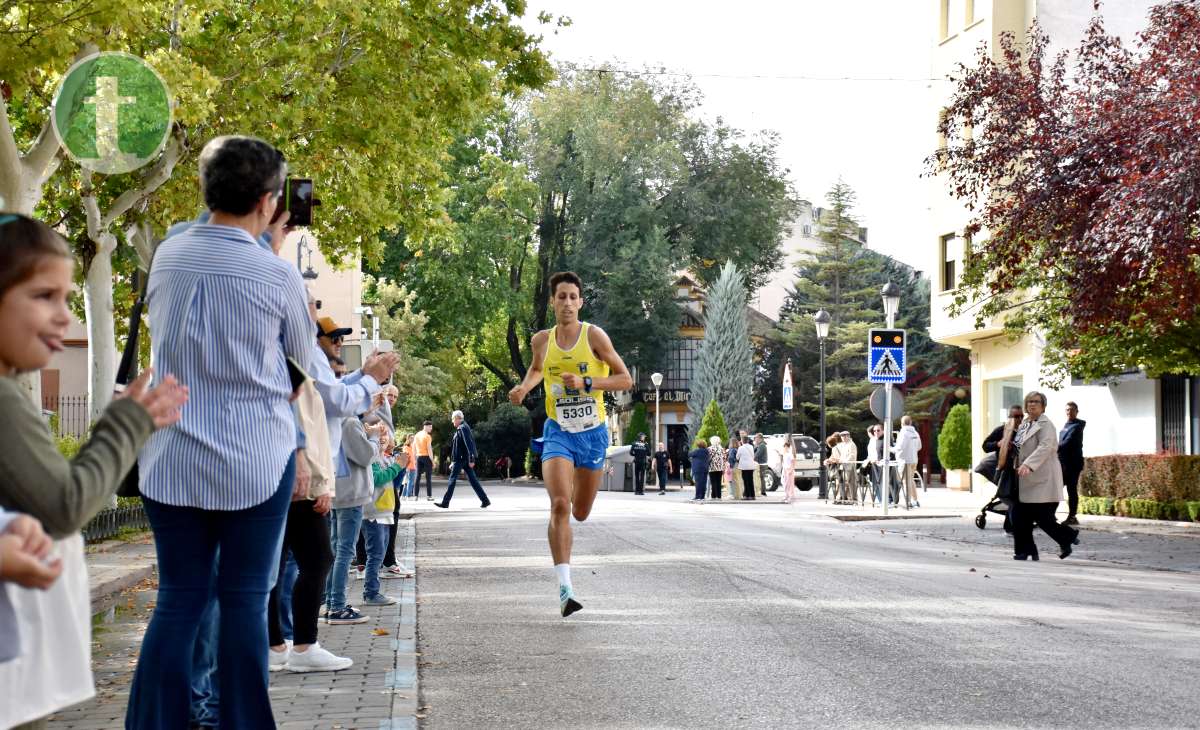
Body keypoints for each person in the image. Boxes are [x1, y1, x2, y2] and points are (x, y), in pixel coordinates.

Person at [123, 135, 315, 729]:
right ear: (267, 201)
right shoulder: (275, 276)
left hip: (170, 455)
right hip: (255, 461)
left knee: (178, 602)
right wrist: (366, 385)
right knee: (244, 604)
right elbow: (311, 371)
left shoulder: (167, 258)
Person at [507, 271, 632, 617]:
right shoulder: (541, 341)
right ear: (553, 302)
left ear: (580, 302)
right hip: (558, 430)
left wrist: (587, 381)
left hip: (592, 435)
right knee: (560, 505)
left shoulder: (594, 336)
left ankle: (584, 476)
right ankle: (566, 589)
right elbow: (535, 370)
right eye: (560, 297)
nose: (566, 303)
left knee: (580, 511)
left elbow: (625, 378)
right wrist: (523, 388)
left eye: (572, 297)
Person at [1012, 391, 1080, 561]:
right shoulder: (1024, 424)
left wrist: (1028, 464)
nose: (1032, 404)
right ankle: (1028, 550)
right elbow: (1017, 447)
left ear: (1043, 406)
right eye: (1029, 402)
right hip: (1026, 478)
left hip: (1043, 478)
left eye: (1036, 402)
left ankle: (1063, 538)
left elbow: (1046, 446)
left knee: (1040, 518)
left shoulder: (1046, 424)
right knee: (1021, 516)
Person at [360, 427, 406, 607]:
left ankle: (373, 591)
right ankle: (371, 592)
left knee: (379, 554)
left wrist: (400, 465)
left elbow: (394, 480)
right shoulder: (371, 459)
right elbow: (378, 479)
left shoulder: (384, 459)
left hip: (385, 513)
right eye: (378, 434)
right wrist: (397, 466)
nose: (382, 438)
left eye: (385, 434)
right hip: (373, 514)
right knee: (375, 554)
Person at [435, 410, 491, 508]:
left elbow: (469, 444)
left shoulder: (463, 428)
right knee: (473, 480)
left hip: (461, 459)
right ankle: (485, 500)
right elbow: (460, 446)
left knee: (452, 480)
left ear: (457, 418)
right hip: (462, 459)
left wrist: (471, 459)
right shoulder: (462, 427)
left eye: (453, 419)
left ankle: (445, 502)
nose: (452, 421)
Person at [983, 405, 1025, 534]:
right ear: (1010, 417)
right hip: (1007, 471)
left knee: (1018, 500)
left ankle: (1010, 526)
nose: (1019, 419)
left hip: (1021, 471)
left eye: (1021, 416)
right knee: (1013, 500)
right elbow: (985, 446)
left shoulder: (1025, 431)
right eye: (1016, 416)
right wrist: (998, 444)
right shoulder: (1002, 430)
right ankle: (1013, 528)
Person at [1059, 402, 1086, 526]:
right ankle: (1048, 516)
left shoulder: (1077, 426)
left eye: (1071, 410)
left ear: (1077, 411)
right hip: (1063, 463)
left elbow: (1067, 443)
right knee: (1057, 489)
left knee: (1071, 489)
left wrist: (1052, 448)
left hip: (1073, 464)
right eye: (1067, 410)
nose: (1069, 412)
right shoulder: (1066, 425)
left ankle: (1072, 516)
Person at [893, 416, 922, 509]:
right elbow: (919, 447)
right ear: (911, 422)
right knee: (911, 480)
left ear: (902, 423)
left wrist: (890, 449)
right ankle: (915, 501)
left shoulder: (903, 433)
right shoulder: (915, 433)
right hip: (914, 460)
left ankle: (907, 502)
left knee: (905, 481)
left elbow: (899, 447)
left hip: (904, 461)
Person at [413, 420, 435, 501]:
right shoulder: (427, 436)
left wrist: (415, 458)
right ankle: (429, 496)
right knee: (428, 478)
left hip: (419, 457)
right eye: (430, 427)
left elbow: (414, 447)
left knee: (417, 477)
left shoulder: (417, 435)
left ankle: (415, 496)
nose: (431, 429)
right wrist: (432, 461)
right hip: (426, 457)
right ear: (426, 426)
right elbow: (429, 449)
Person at [706, 435, 727, 500]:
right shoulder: (722, 449)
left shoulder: (709, 449)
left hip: (712, 467)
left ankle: (714, 496)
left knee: (713, 482)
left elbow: (708, 458)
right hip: (720, 467)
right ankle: (719, 496)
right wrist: (723, 467)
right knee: (718, 482)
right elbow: (724, 458)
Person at [736, 436, 757, 500]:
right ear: (747, 441)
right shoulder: (751, 447)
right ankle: (752, 495)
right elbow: (753, 455)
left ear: (742, 441)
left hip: (744, 466)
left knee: (745, 481)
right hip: (751, 466)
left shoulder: (741, 448)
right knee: (750, 480)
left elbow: (737, 457)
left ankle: (747, 495)